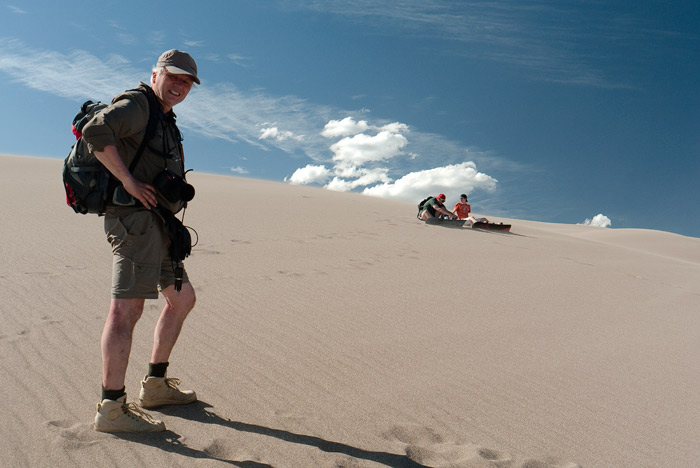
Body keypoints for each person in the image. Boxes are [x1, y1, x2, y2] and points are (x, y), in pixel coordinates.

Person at [82, 49, 201, 433]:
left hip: (158, 224)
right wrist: (129, 181)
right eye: (174, 76)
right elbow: (95, 132)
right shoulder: (138, 104)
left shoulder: (166, 119)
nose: (180, 85)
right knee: (126, 311)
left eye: (187, 81)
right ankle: (112, 408)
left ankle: (155, 384)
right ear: (156, 73)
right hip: (134, 222)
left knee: (182, 298)